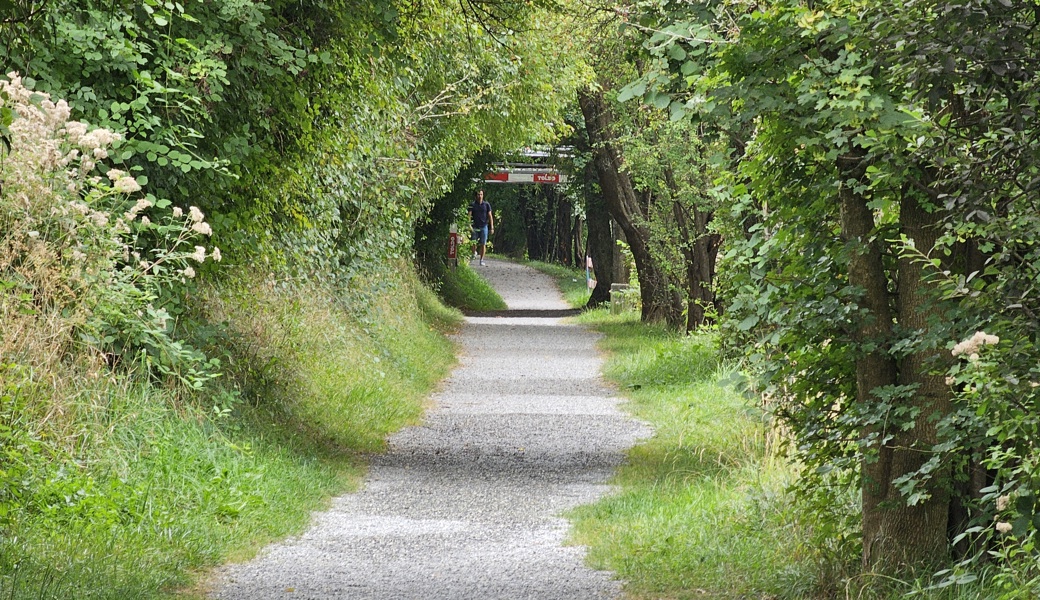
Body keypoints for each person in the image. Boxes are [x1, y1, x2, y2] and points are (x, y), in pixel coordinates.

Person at [468, 189, 494, 266]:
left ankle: (481, 259)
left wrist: (491, 227)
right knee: (473, 242)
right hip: (474, 226)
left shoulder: (486, 205)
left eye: (481, 194)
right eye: (478, 194)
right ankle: (474, 253)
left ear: (483, 195)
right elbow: (469, 216)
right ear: (476, 196)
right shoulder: (472, 205)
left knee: (483, 243)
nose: (480, 196)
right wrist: (469, 225)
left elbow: (490, 216)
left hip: (484, 226)